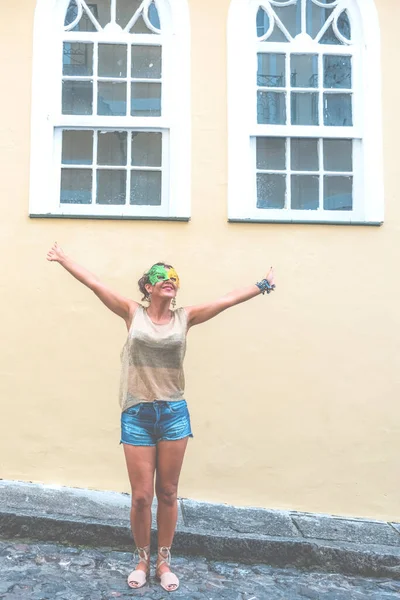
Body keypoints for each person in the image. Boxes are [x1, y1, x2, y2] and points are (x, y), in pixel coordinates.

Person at [46, 242, 275, 592]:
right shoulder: (131, 313)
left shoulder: (187, 317)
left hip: (173, 413)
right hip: (136, 412)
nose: (169, 279)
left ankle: (164, 561)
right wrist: (63, 259)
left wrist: (261, 285)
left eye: (173, 277)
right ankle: (142, 559)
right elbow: (95, 283)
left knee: (167, 492)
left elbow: (227, 299)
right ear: (148, 287)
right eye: (160, 276)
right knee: (141, 497)